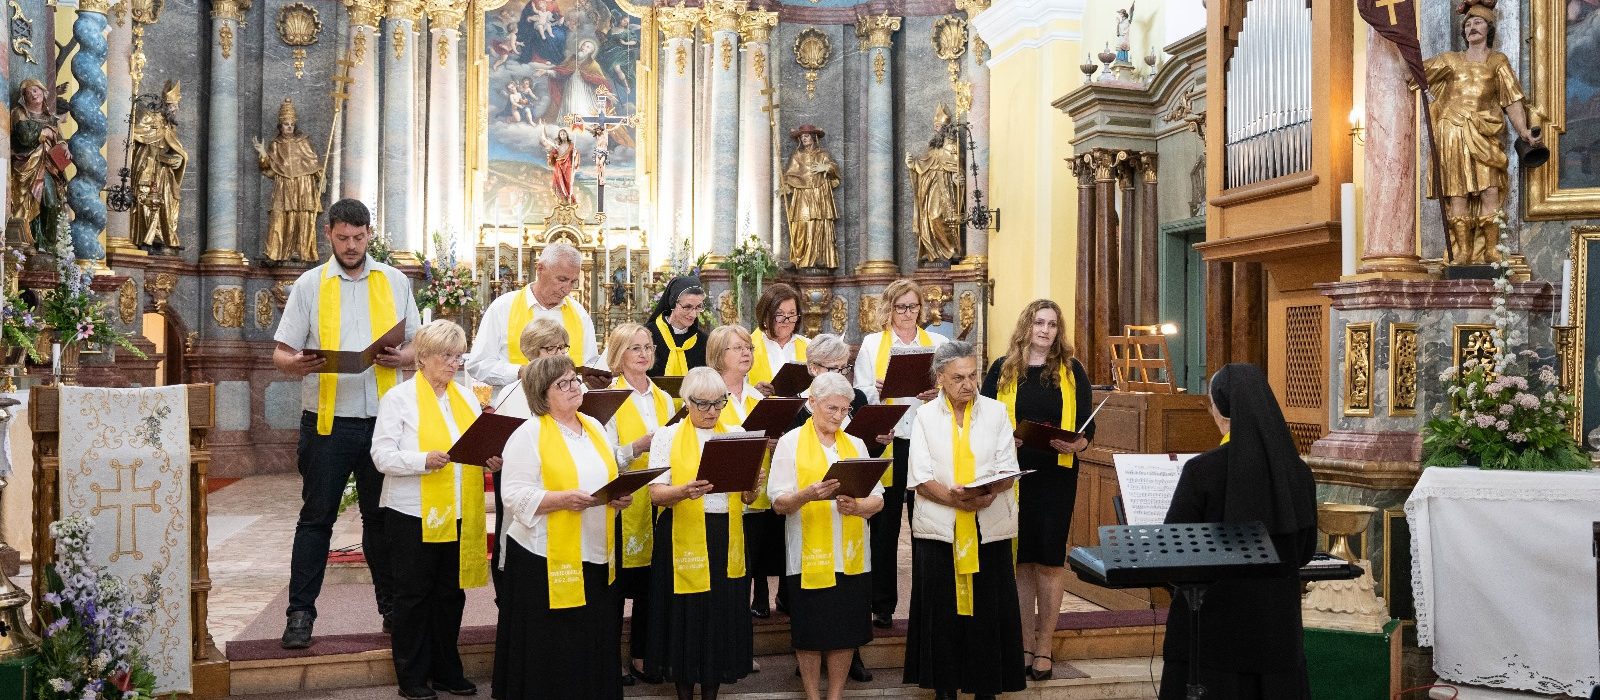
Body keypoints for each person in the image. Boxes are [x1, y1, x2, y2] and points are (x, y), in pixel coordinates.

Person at [272, 199, 422, 649]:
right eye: (343, 238)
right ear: (328, 234)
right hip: (327, 423)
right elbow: (281, 353)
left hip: (385, 423)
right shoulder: (310, 284)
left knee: (382, 522)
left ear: (369, 234)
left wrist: (403, 357)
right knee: (316, 520)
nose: (351, 246)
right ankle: (300, 614)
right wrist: (297, 364)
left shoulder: (395, 281)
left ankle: (391, 610)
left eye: (358, 238)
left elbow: (419, 345)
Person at [1159, 364, 1317, 700]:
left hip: (1211, 638)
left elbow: (1172, 557)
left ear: (1218, 409)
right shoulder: (1298, 473)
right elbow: (1304, 551)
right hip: (1276, 634)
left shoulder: (1202, 471)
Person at [370, 320, 497, 700]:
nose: (455, 363)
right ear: (423, 357)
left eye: (459, 356)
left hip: (458, 509)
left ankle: (446, 670)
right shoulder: (399, 398)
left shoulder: (466, 399)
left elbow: (472, 447)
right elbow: (381, 456)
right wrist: (421, 460)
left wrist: (489, 458)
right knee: (413, 595)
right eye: (447, 355)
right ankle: (411, 675)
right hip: (410, 512)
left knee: (450, 594)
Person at [493, 356, 633, 699]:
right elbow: (513, 495)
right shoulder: (528, 434)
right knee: (557, 645)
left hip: (595, 551)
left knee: (590, 638)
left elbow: (607, 477)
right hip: (545, 557)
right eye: (563, 383)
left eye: (575, 380)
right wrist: (560, 500)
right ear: (542, 393)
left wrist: (616, 497)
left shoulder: (594, 427)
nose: (574, 388)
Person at [903, 340, 1026, 699]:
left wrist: (984, 494)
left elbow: (1008, 468)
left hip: (988, 527)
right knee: (942, 614)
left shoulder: (996, 412)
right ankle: (944, 690)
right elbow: (920, 476)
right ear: (939, 378)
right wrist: (957, 500)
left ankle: (986, 689)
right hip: (941, 529)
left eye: (973, 376)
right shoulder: (925, 416)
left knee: (987, 612)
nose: (968, 384)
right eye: (958, 378)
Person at [979, 300, 1094, 681]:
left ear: (1059, 331)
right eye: (1039, 322)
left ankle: (1045, 645)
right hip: (1012, 475)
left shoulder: (1072, 371)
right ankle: (1024, 643)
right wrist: (1003, 439)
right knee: (1021, 561)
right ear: (1026, 326)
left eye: (1052, 324)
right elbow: (982, 419)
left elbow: (1086, 428)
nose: (1045, 330)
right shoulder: (1002, 369)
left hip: (1056, 477)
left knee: (1049, 560)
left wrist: (1078, 444)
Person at [767, 372, 884, 700]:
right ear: (812, 402)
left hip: (850, 555)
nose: (838, 416)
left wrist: (857, 506)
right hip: (808, 555)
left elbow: (878, 499)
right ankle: (811, 695)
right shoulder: (791, 443)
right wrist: (807, 495)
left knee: (844, 632)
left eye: (845, 410)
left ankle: (835, 695)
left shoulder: (855, 444)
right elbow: (778, 502)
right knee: (811, 632)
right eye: (832, 408)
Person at [645, 367, 758, 699]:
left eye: (719, 403)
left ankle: (712, 691)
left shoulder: (735, 433)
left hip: (726, 534)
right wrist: (684, 491)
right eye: (704, 404)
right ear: (686, 401)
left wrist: (753, 483)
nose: (712, 411)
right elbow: (656, 495)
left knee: (721, 613)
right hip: (682, 534)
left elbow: (747, 498)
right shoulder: (667, 436)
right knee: (686, 613)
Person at [853, 279, 948, 628]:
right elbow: (859, 395)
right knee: (885, 525)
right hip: (888, 442)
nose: (907, 313)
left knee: (926, 521)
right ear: (889, 309)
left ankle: (928, 604)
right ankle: (882, 605)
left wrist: (937, 392)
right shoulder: (872, 344)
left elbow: (953, 390)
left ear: (921, 309)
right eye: (901, 307)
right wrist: (877, 390)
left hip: (925, 442)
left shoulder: (937, 344)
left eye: (913, 307)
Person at [1423, 0, 1541, 265]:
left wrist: (1523, 131)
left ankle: (1491, 250)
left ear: (1489, 28)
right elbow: (1416, 74)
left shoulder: (1498, 61)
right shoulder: (1450, 60)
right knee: (1458, 194)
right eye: (1468, 24)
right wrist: (1402, 45)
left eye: (1478, 22)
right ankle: (1462, 251)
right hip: (1453, 130)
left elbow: (1512, 100)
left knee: (1490, 191)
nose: (1472, 27)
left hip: (1485, 132)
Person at [600, 322, 670, 686]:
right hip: (624, 501)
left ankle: (644, 655)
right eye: (635, 348)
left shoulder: (663, 398)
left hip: (659, 499)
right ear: (619, 354)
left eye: (648, 347)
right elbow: (602, 455)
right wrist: (636, 447)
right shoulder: (609, 398)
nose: (644, 354)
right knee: (616, 588)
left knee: (651, 586)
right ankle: (610, 661)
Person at [705, 326, 781, 623]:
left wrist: (772, 442)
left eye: (748, 347)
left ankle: (742, 631)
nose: (746, 353)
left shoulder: (757, 398)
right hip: (722, 500)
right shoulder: (708, 397)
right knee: (723, 572)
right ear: (718, 354)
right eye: (737, 348)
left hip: (756, 495)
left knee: (750, 564)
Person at [467, 242, 598, 391]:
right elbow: (478, 364)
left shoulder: (579, 313)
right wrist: (520, 372)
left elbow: (590, 364)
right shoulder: (503, 307)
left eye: (573, 282)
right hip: (516, 402)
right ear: (540, 269)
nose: (567, 289)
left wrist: (595, 379)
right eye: (562, 280)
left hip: (568, 402)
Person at [255, 97, 324, 264]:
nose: (290, 127)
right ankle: (277, 253)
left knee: (302, 217)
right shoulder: (276, 144)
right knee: (280, 215)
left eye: (292, 124)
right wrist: (263, 152)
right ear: (280, 126)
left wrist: (322, 178)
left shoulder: (303, 141)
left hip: (304, 184)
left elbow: (313, 162)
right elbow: (268, 168)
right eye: (286, 124)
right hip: (284, 184)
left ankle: (301, 252)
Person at [9, 78, 71, 251]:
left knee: (51, 203)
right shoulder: (18, 113)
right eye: (28, 93)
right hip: (26, 165)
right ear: (24, 97)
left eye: (35, 90)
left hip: (48, 165)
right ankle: (33, 242)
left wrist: (64, 147)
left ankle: (49, 246)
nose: (33, 94)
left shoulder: (50, 118)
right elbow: (25, 137)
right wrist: (44, 132)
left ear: (44, 92)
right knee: (31, 202)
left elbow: (59, 139)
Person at [781, 125, 842, 269]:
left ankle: (820, 257)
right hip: (802, 194)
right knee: (801, 224)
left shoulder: (822, 154)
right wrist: (786, 186)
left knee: (819, 223)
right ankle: (798, 258)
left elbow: (834, 169)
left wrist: (826, 168)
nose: (804, 139)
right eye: (802, 137)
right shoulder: (797, 156)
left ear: (814, 137)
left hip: (820, 193)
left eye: (807, 136)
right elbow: (790, 175)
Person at [750, 283, 809, 398]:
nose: (786, 320)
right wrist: (753, 393)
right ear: (765, 315)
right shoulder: (747, 347)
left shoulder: (809, 347)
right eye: (779, 314)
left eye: (792, 313)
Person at [646, 276, 709, 376]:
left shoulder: (703, 341)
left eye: (698, 307)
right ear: (673, 303)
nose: (693, 314)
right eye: (687, 307)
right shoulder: (648, 335)